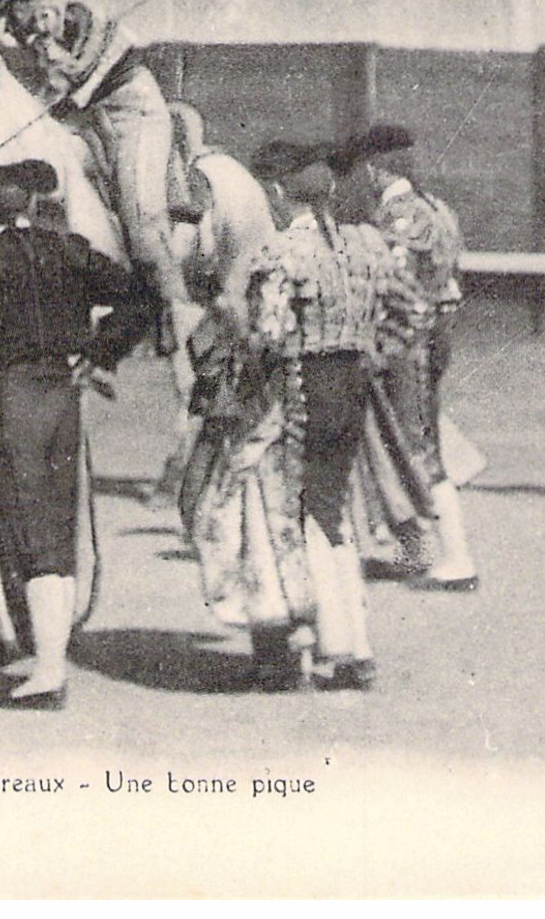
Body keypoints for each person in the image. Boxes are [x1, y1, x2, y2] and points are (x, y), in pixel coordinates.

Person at [182, 140, 419, 692]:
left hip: (300, 394)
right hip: (353, 391)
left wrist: (225, 317)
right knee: (334, 514)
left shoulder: (282, 252)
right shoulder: (368, 244)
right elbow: (410, 311)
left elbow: (266, 336)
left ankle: (332, 649)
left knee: (304, 517)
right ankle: (356, 646)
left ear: (279, 194)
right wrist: (369, 355)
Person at [0, 159, 134, 709]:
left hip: (9, 400)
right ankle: (51, 661)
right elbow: (139, 297)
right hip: (63, 395)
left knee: (27, 528)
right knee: (57, 527)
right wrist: (98, 353)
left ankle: (48, 671)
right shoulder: (70, 250)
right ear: (35, 205)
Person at [0, 0, 205, 379]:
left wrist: (61, 74)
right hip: (90, 123)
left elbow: (82, 75)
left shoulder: (81, 12)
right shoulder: (40, 42)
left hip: (133, 113)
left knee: (143, 222)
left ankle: (185, 319)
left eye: (8, 17)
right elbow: (58, 96)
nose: (8, 29)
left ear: (27, 2)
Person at [331, 124, 479, 591]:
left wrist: (377, 352)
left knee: (415, 448)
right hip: (431, 341)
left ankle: (457, 559)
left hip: (404, 347)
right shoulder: (438, 209)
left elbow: (403, 300)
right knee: (409, 443)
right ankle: (415, 550)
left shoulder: (396, 217)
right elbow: (450, 289)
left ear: (374, 169)